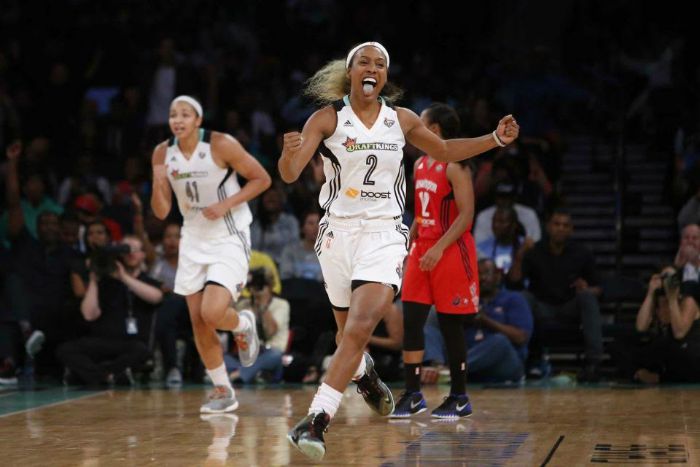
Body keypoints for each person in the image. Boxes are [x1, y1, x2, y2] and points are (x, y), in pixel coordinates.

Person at [278, 42, 519, 460]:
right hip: (337, 233)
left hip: (385, 233)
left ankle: (316, 419)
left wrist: (494, 138)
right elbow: (290, 173)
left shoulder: (401, 119)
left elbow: (444, 152)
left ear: (385, 76)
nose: (372, 68)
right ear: (350, 71)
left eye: (380, 64)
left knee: (358, 328)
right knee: (345, 337)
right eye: (364, 62)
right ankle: (366, 375)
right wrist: (287, 152)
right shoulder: (327, 118)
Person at [150, 95, 272, 413]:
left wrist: (225, 204)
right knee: (198, 321)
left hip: (229, 234)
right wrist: (158, 183)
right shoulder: (163, 153)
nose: (178, 119)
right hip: (193, 237)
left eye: (185, 114)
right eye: (173, 114)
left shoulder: (221, 144)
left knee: (212, 312)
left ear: (198, 120)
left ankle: (243, 324)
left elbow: (262, 179)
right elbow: (161, 212)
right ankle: (222, 389)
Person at [392, 103, 481, 419]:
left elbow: (466, 217)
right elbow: (420, 213)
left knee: (449, 326)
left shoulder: (456, 165)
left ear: (435, 130)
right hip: (423, 249)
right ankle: (413, 394)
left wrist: (438, 248)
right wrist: (409, 245)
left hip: (451, 251)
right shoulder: (419, 165)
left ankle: (459, 396)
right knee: (412, 321)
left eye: (421, 122)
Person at [509, 207, 604, 382]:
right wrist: (520, 255)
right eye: (556, 224)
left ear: (571, 229)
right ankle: (522, 360)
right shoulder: (535, 251)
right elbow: (514, 283)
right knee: (523, 298)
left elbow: (599, 288)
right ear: (548, 227)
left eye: (565, 225)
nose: (560, 228)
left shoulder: (582, 253)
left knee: (588, 298)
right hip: (542, 307)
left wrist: (587, 289)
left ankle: (594, 363)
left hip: (569, 307)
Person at [56, 235, 163, 387]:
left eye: (134, 249)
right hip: (102, 341)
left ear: (143, 254)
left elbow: (156, 297)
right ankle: (108, 375)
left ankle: (92, 375)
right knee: (65, 349)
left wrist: (124, 277)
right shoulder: (105, 282)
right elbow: (89, 315)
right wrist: (94, 279)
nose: (130, 253)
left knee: (142, 351)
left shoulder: (148, 281)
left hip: (131, 343)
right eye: (125, 249)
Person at [420, 259, 533, 385]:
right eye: (477, 274)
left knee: (500, 341)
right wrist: (461, 318)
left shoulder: (513, 299)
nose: (482, 278)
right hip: (470, 359)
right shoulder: (465, 299)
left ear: (498, 276)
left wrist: (486, 321)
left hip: (504, 362)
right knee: (431, 322)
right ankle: (437, 367)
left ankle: (451, 371)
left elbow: (521, 337)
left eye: (487, 273)